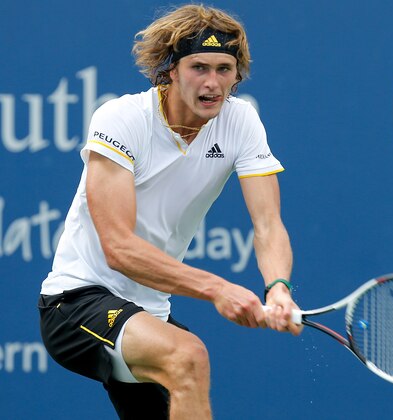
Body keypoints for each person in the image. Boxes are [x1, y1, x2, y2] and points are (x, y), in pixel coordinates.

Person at [38, 5, 301, 419]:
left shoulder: (242, 121)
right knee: (189, 357)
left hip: (147, 313)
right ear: (172, 70)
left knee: (185, 369)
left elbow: (268, 225)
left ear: (237, 74)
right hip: (76, 302)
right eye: (199, 67)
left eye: (224, 69)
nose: (212, 83)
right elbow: (119, 249)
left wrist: (278, 287)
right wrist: (218, 288)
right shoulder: (122, 119)